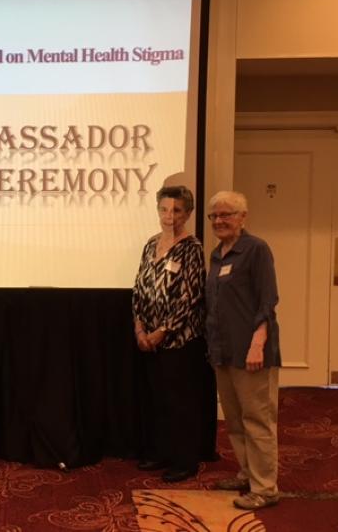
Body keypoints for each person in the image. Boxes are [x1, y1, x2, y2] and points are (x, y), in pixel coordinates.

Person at [132, 185, 216, 483]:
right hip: (149, 340)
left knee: (180, 402)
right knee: (156, 399)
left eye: (177, 210)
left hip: (179, 341)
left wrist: (161, 332)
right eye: (165, 209)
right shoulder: (151, 244)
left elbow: (189, 297)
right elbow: (139, 288)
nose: (170, 216)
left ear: (188, 214)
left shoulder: (191, 248)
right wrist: (140, 327)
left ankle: (185, 460)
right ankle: (160, 452)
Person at [206, 191, 281, 510]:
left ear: (243, 216)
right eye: (215, 216)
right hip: (223, 351)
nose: (220, 221)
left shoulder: (256, 249)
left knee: (258, 420)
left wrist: (257, 343)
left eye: (227, 214)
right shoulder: (217, 254)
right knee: (235, 420)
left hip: (252, 353)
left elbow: (268, 300)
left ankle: (265, 488)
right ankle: (248, 474)